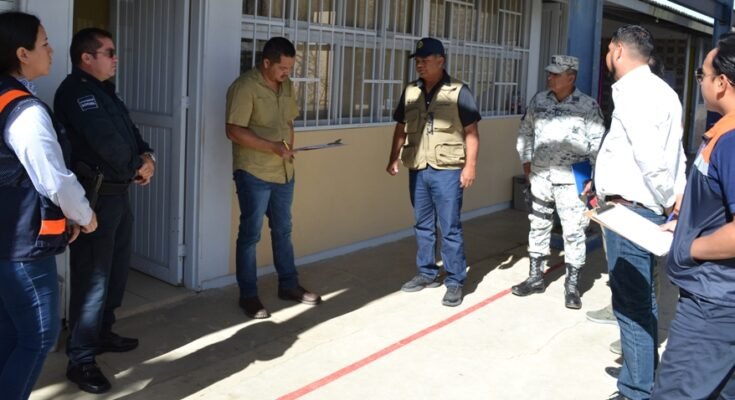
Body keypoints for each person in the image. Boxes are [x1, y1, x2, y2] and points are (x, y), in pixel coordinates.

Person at [0, 11, 97, 400]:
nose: (52, 50)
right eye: (43, 44)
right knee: (39, 335)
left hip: (7, 240)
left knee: (10, 331)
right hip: (21, 247)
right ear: (22, 53)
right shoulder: (24, 111)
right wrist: (84, 216)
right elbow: (54, 180)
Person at [54, 28, 155, 394]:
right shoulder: (77, 93)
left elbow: (129, 132)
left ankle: (102, 333)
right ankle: (81, 360)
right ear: (86, 58)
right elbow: (107, 142)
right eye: (109, 52)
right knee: (92, 280)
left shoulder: (104, 91)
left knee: (115, 271)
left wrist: (146, 156)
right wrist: (135, 166)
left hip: (118, 195)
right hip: (96, 200)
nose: (116, 58)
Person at [594, 25, 686, 400]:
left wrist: (667, 200)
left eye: (608, 50)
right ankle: (643, 377)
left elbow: (651, 158)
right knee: (641, 300)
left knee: (631, 305)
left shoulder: (635, 91)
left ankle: (636, 390)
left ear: (617, 50)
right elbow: (674, 154)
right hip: (638, 207)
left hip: (632, 213)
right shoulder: (663, 91)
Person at [651, 33, 735, 400]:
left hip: (713, 303)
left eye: (702, 74)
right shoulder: (722, 133)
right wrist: (684, 222)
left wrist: (689, 248)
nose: (699, 81)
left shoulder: (731, 141)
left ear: (722, 82)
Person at [225, 36, 321, 320]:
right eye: (282, 68)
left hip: (283, 171)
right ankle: (248, 296)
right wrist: (273, 147)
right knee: (250, 235)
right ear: (266, 62)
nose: (287, 74)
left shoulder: (286, 86)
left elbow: (288, 122)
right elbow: (233, 130)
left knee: (283, 230)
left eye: (290, 68)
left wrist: (288, 149)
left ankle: (289, 285)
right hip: (254, 172)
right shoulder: (244, 88)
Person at [386, 37, 480, 307]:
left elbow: (472, 132)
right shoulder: (411, 91)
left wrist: (470, 166)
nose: (420, 65)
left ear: (441, 61)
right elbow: (400, 127)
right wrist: (393, 158)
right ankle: (427, 273)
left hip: (447, 170)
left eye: (425, 60)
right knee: (423, 225)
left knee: (449, 227)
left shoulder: (459, 91)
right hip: (418, 168)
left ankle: (455, 280)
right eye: (417, 61)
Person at [512, 55, 604, 309]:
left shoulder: (587, 106)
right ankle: (535, 277)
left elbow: (598, 144)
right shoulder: (539, 100)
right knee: (538, 225)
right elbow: (525, 131)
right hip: (541, 175)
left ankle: (572, 286)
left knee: (574, 231)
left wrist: (594, 177)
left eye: (555, 74)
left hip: (573, 179)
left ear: (571, 77)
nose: (550, 77)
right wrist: (526, 162)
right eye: (549, 73)